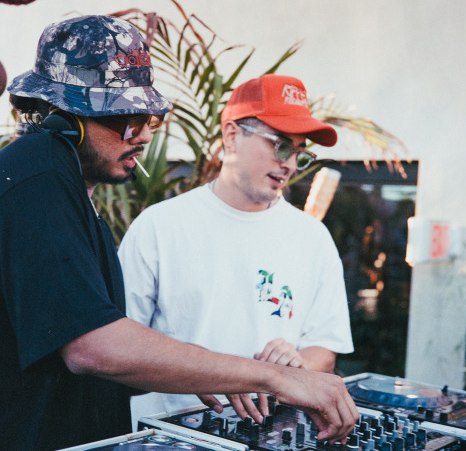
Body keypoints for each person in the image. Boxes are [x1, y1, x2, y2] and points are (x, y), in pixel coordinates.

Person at [0, 15, 359, 451]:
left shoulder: (62, 184)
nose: (143, 134)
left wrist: (203, 372)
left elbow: (90, 357)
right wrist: (273, 377)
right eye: (125, 119)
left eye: (149, 119)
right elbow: (92, 348)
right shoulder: (38, 178)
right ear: (67, 115)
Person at [118, 73, 354, 421]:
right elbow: (121, 347)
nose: (288, 163)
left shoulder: (313, 238)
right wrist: (201, 369)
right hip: (167, 445)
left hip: (272, 438)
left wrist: (295, 365)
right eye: (281, 145)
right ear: (231, 135)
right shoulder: (159, 226)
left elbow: (326, 346)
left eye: (299, 153)